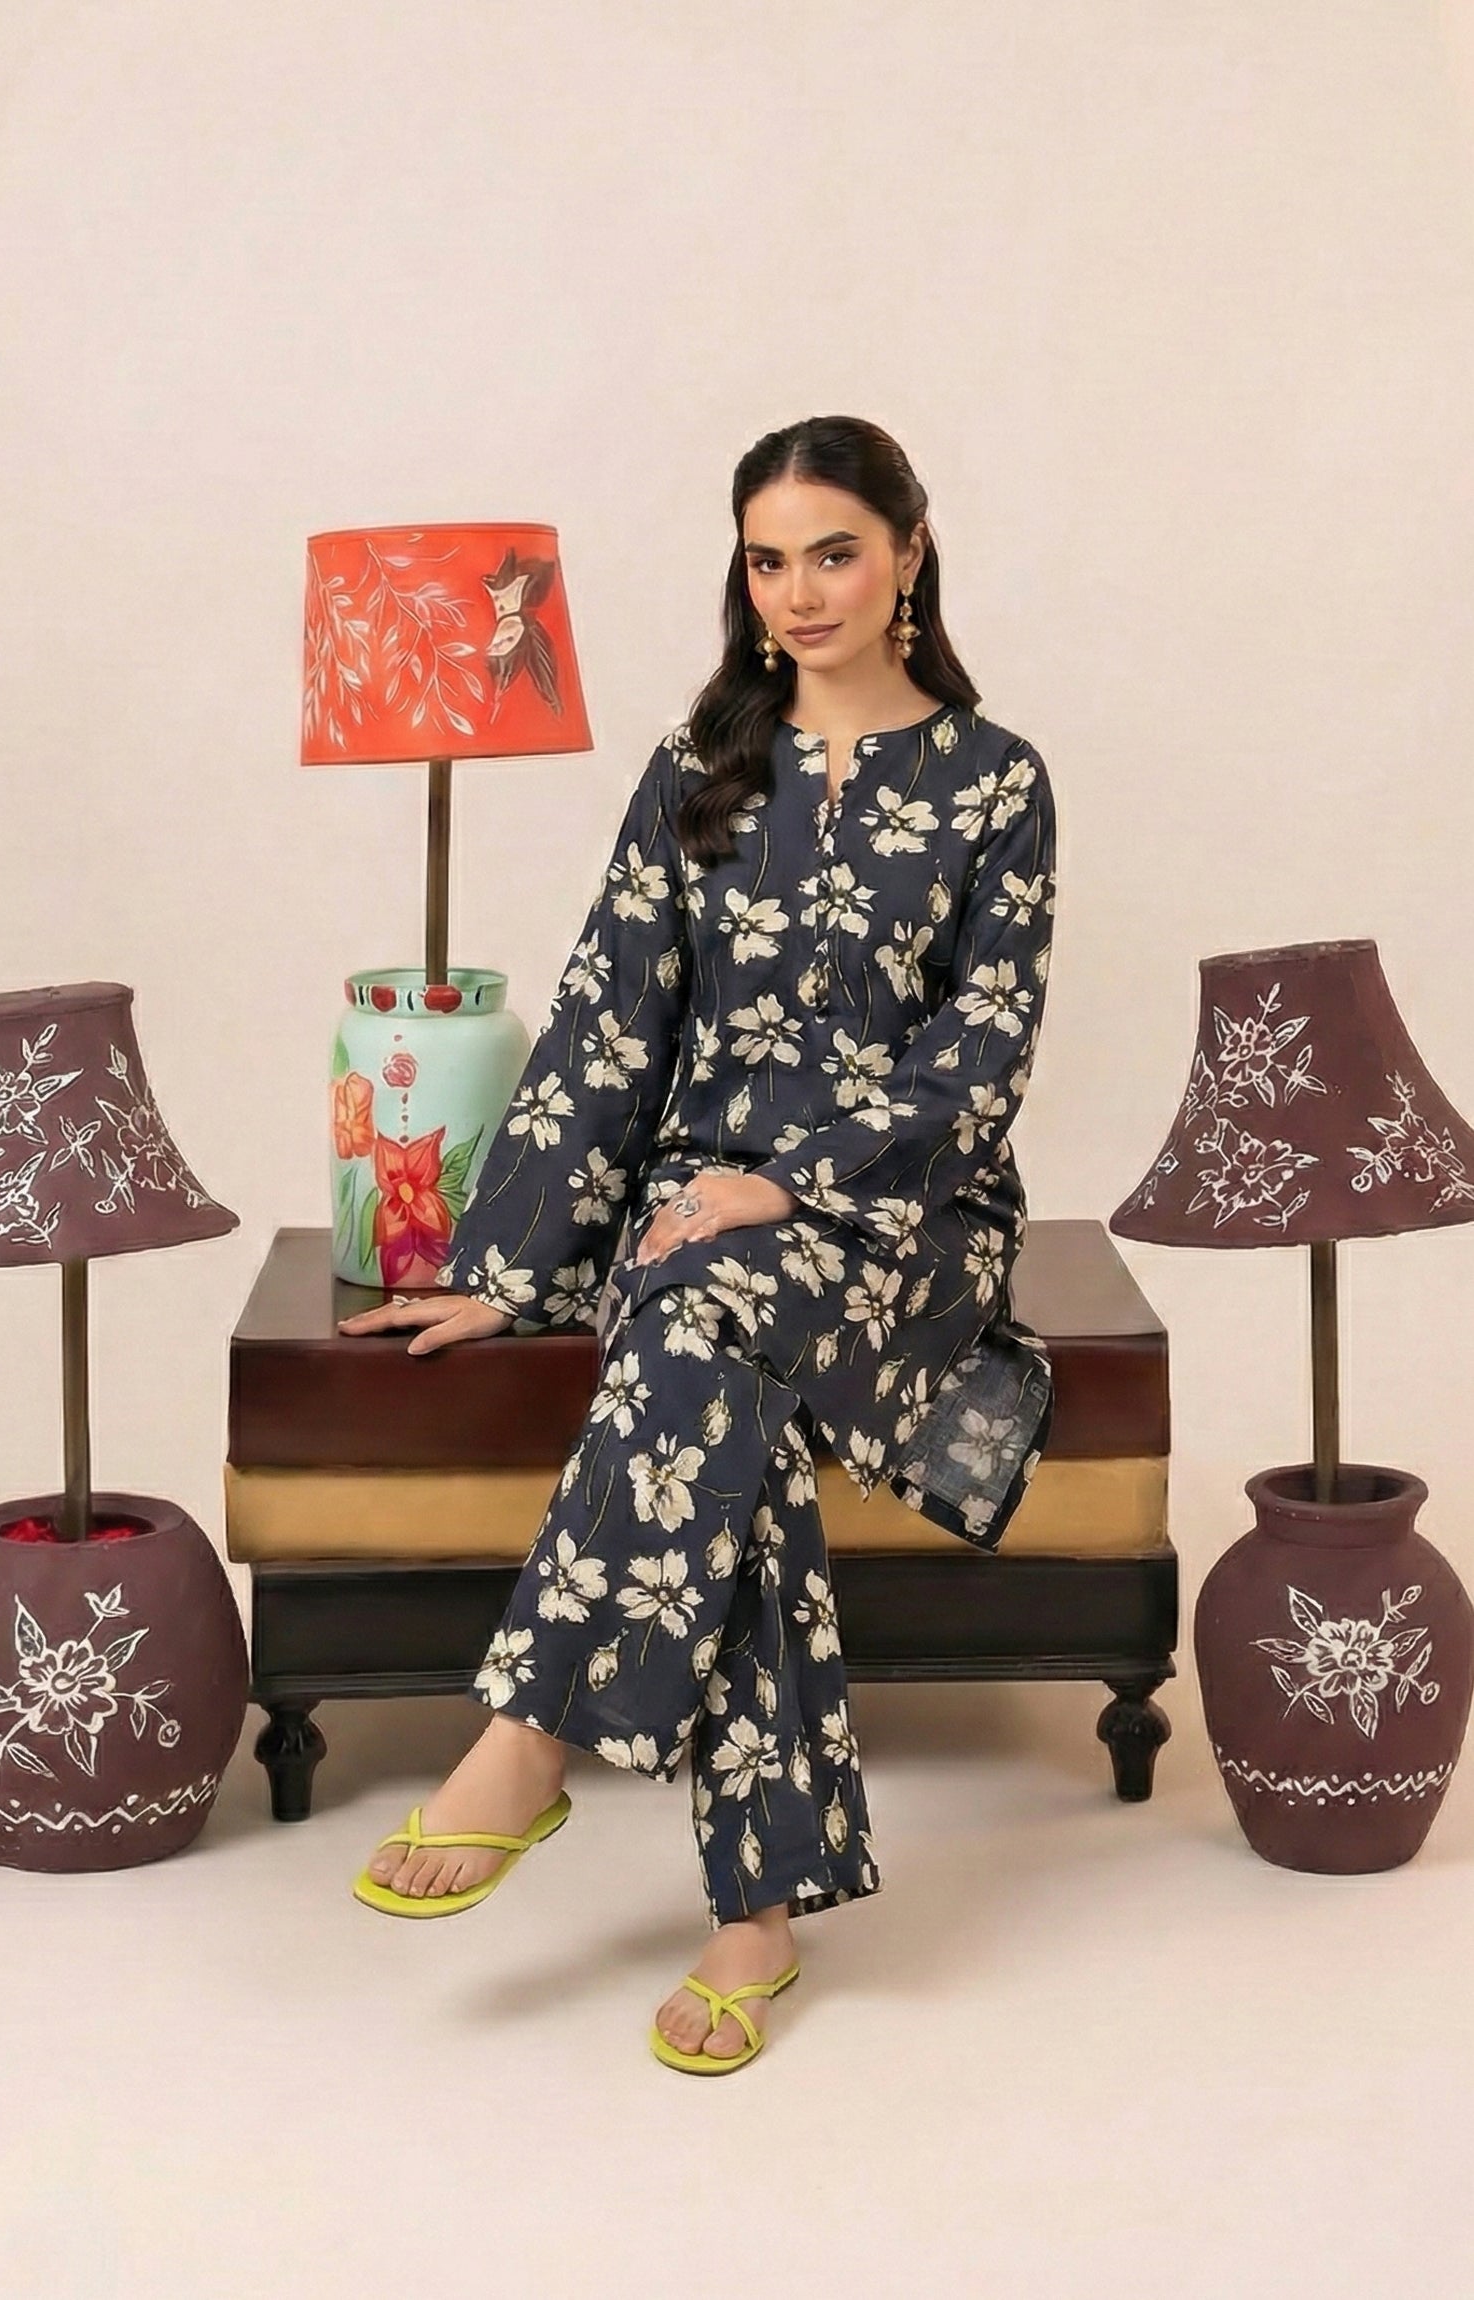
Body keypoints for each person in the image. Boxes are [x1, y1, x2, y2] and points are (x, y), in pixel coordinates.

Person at [338, 413, 1058, 2074]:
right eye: (768, 560)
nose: (799, 593)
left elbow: (984, 1055)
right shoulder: (700, 767)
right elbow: (611, 1019)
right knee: (703, 1347)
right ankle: (757, 1920)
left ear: (909, 554)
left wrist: (792, 1184)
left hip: (905, 1221)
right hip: (696, 1210)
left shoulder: (998, 781)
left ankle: (527, 1738)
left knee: (698, 1304)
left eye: (835, 553)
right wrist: (508, 1267)